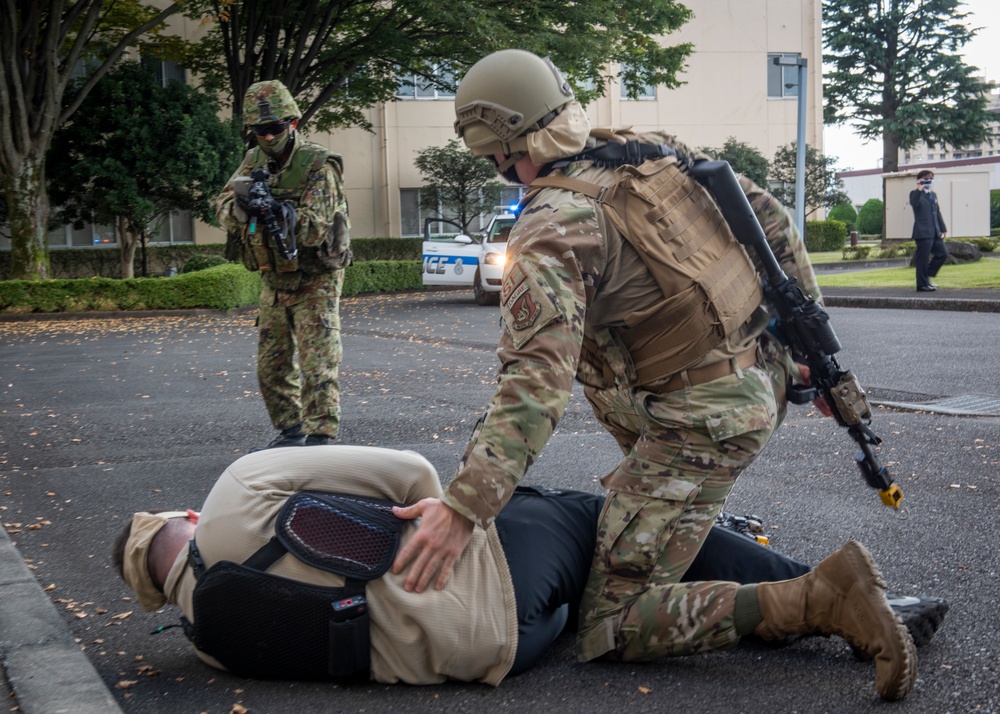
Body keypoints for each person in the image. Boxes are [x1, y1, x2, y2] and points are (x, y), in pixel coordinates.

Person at [390, 49, 919, 701]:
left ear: (503, 144)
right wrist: (811, 346)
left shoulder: (552, 227)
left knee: (612, 627)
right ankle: (698, 532)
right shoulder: (649, 151)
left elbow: (535, 383)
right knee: (637, 505)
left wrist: (464, 508)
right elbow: (772, 223)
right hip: (755, 382)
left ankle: (823, 599)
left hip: (696, 423)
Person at [113, 446, 947, 685]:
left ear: (159, 585)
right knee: (591, 522)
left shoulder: (205, 639)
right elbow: (410, 476)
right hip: (497, 581)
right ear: (184, 519)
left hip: (504, 652)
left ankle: (809, 601)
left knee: (605, 608)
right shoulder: (235, 488)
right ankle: (831, 586)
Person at [216, 80, 351, 451]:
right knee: (271, 367)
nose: (269, 135)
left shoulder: (319, 165)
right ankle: (291, 431)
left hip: (316, 278)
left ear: (293, 123)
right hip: (274, 278)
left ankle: (320, 436)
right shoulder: (252, 161)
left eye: (277, 127)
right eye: (261, 130)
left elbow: (314, 227)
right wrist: (245, 208)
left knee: (317, 362)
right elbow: (222, 207)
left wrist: (281, 212)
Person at [910, 169, 948, 292]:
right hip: (922, 232)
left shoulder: (933, 195)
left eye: (931, 178)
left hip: (935, 232)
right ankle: (922, 285)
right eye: (926, 179)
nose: (929, 181)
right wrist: (919, 188)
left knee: (943, 253)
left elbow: (937, 212)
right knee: (923, 260)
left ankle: (926, 277)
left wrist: (943, 228)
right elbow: (914, 203)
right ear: (920, 180)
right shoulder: (915, 193)